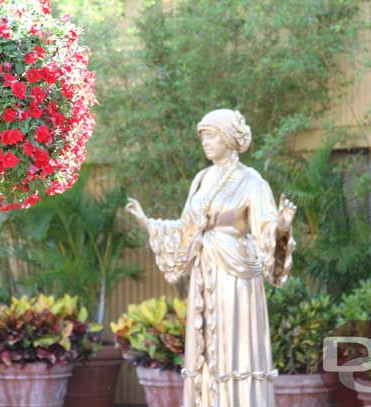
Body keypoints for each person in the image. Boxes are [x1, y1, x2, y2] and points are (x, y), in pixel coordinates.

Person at [126, 109, 297, 407]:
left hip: (237, 276)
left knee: (235, 345)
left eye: (210, 135)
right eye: (202, 136)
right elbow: (185, 229)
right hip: (205, 273)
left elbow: (266, 233)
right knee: (205, 344)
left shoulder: (252, 182)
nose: (204, 142)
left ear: (229, 138)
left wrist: (282, 226)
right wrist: (148, 223)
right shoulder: (202, 178)